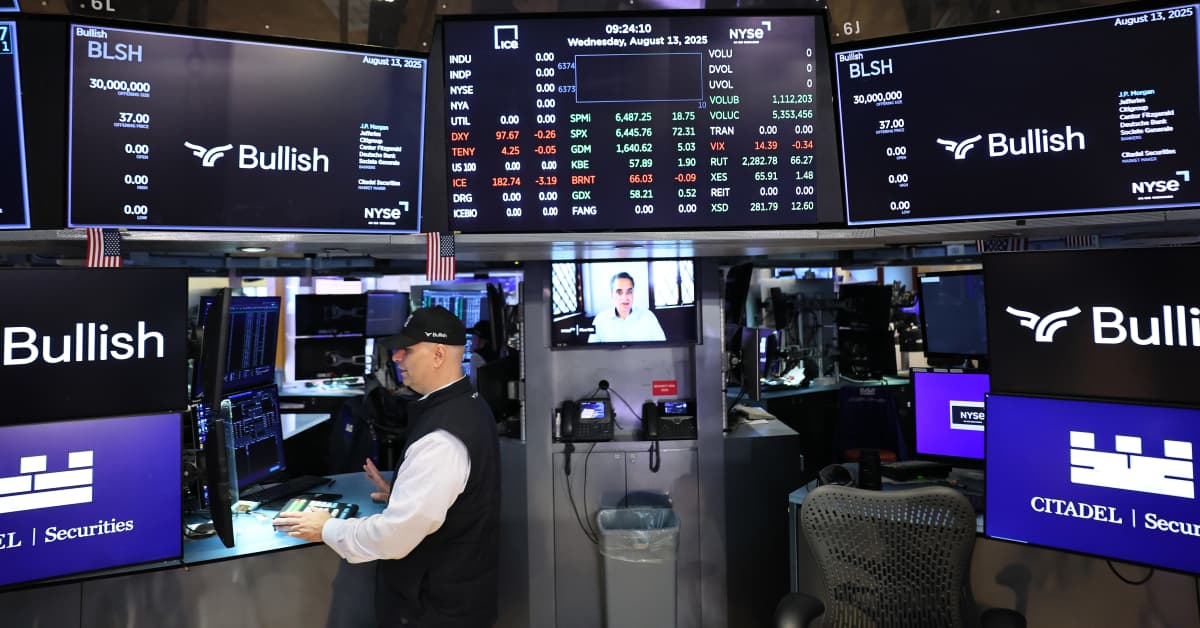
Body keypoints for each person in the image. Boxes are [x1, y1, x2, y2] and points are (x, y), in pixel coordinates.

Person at [275, 305, 500, 628]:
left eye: (407, 350)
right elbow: (457, 497)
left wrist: (326, 527)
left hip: (434, 612)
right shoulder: (469, 405)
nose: (396, 358)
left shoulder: (441, 438)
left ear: (438, 355)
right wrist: (404, 493)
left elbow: (394, 538)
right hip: (459, 602)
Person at [589, 271, 666, 343]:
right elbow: (591, 351)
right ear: (612, 295)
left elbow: (662, 347)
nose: (625, 298)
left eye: (629, 292)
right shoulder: (600, 320)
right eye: (619, 292)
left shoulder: (648, 317)